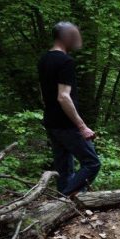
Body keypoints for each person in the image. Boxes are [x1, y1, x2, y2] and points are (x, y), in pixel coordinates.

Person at [37, 21, 101, 196]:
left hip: (51, 121)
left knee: (64, 167)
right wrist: (82, 126)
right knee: (92, 162)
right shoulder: (65, 61)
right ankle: (65, 197)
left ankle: (63, 205)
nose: (79, 40)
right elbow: (63, 96)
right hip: (66, 124)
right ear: (66, 37)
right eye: (76, 35)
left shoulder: (44, 59)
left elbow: (43, 94)